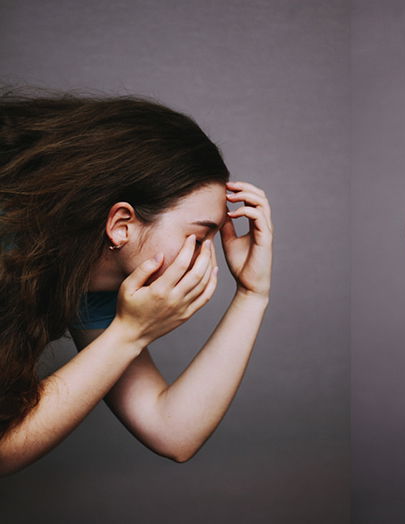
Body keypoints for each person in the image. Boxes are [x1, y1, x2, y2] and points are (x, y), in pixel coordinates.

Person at [0, 87, 273, 474]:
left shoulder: (90, 280)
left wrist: (252, 293)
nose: (205, 256)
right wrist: (129, 333)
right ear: (121, 224)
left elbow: (173, 432)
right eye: (198, 236)